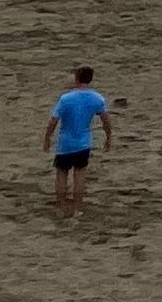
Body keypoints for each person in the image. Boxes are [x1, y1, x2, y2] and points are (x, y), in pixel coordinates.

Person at [46, 69, 116, 213]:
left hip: (66, 143)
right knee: (80, 174)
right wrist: (108, 137)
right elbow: (106, 121)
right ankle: (78, 205)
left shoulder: (66, 98)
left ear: (76, 79)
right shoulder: (97, 98)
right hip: (83, 143)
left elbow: (53, 120)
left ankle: (61, 205)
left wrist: (47, 137)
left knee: (61, 173)